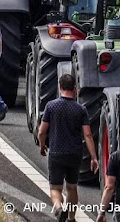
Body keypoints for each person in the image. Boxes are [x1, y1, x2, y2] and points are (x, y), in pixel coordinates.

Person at [38, 74, 98, 221]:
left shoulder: (51, 106)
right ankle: (71, 218)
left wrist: (42, 145)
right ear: (75, 89)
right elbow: (88, 135)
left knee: (55, 188)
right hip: (74, 154)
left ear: (60, 87)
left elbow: (42, 131)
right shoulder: (80, 109)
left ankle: (59, 209)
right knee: (72, 187)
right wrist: (94, 157)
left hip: (56, 153)